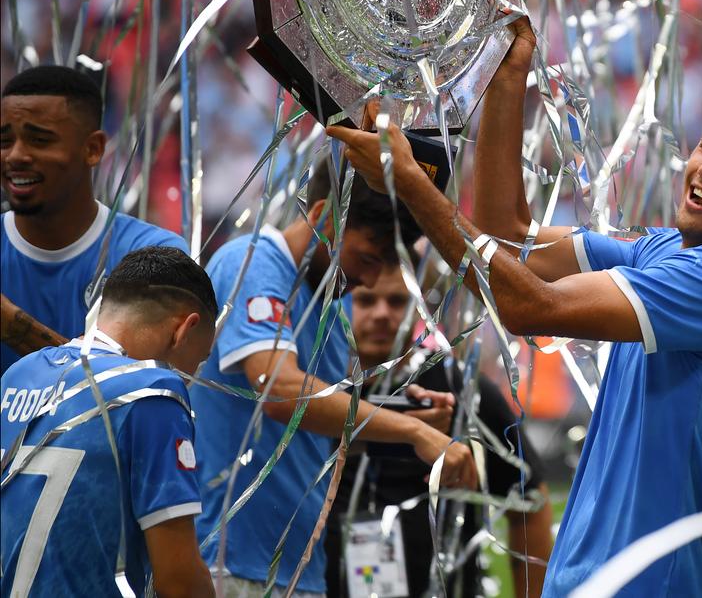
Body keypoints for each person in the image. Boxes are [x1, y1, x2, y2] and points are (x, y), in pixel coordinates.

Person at [328, 16, 702, 597]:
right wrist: (508, 79)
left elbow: (526, 306)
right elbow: (506, 237)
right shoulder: (666, 250)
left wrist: (412, 183)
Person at [190, 163, 479, 597]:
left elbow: (311, 424)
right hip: (228, 563)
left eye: (384, 264)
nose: (370, 278)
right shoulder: (253, 261)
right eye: (367, 257)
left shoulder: (326, 299)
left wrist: (396, 410)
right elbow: (280, 393)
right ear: (326, 217)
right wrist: (413, 430)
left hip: (296, 568)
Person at [324, 263, 554, 598]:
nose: (382, 314)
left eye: (397, 301)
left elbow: (531, 499)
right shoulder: (314, 392)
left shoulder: (460, 386)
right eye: (365, 300)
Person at [1, 246, 218, 597]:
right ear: (185, 329)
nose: (193, 376)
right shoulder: (154, 392)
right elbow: (179, 581)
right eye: (201, 359)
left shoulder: (19, 373)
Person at [1, 65, 190, 373]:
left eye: (40, 140)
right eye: (4, 141)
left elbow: (133, 391)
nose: (15, 156)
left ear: (93, 149)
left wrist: (10, 323)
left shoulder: (154, 255)